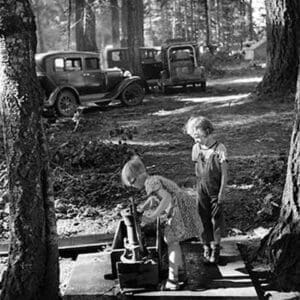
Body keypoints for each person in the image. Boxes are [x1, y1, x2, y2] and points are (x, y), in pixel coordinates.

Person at [121, 155, 203, 291]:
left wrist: (153, 216)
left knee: (171, 241)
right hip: (182, 206)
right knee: (173, 240)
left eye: (132, 183)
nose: (134, 187)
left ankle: (173, 279)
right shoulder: (153, 179)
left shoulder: (150, 182)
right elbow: (154, 199)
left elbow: (166, 198)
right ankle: (180, 272)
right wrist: (143, 207)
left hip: (179, 208)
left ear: (138, 176)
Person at [185, 116, 228, 264]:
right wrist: (195, 190)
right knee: (202, 219)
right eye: (193, 137)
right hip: (201, 189)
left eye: (199, 137)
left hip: (216, 190)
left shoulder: (219, 149)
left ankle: (216, 248)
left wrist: (222, 192)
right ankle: (206, 246)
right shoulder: (196, 148)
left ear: (208, 132)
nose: (196, 140)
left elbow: (225, 174)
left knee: (216, 220)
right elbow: (197, 170)